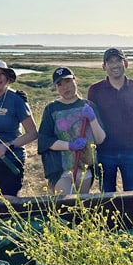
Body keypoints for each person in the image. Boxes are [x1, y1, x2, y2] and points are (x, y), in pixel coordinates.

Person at [86, 47, 133, 192]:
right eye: (110, 62)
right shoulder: (95, 90)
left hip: (131, 152)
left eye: (118, 61)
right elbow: (91, 125)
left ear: (126, 63)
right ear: (104, 67)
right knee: (107, 200)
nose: (115, 65)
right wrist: (90, 157)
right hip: (104, 153)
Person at [38, 67, 106, 195]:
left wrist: (93, 119)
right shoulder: (51, 109)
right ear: (56, 88)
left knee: (81, 207)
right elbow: (44, 141)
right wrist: (69, 146)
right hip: (60, 169)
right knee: (64, 203)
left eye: (68, 81)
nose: (65, 87)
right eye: (60, 84)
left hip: (85, 167)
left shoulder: (88, 106)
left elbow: (100, 139)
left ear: (75, 81)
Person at [0, 60, 38, 199]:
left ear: (7, 78)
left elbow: (33, 133)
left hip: (11, 160)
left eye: (2, 74)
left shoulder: (16, 100)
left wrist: (7, 146)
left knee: (9, 205)